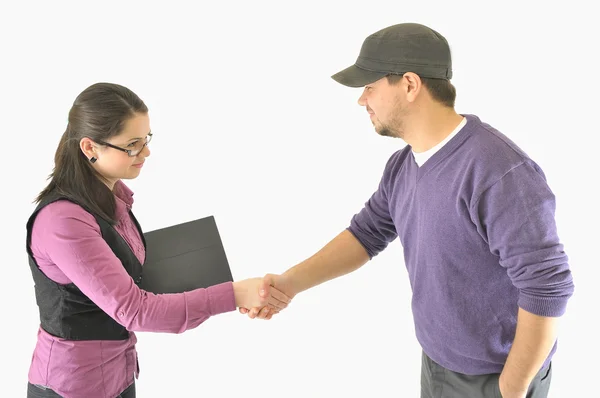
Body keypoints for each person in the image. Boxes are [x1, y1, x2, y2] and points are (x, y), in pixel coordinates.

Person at [241, 23, 575, 398]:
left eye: (369, 87)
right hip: (436, 363)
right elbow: (365, 235)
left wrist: (512, 387)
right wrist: (288, 285)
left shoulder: (498, 170)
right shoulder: (403, 166)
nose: (361, 100)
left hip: (492, 378)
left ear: (410, 85)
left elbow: (547, 286)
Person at [25, 82, 291, 398]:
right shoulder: (63, 221)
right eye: (133, 144)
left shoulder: (111, 197)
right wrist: (233, 294)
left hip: (118, 372)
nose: (146, 152)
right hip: (73, 386)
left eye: (146, 139)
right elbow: (134, 311)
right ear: (90, 147)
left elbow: (129, 275)